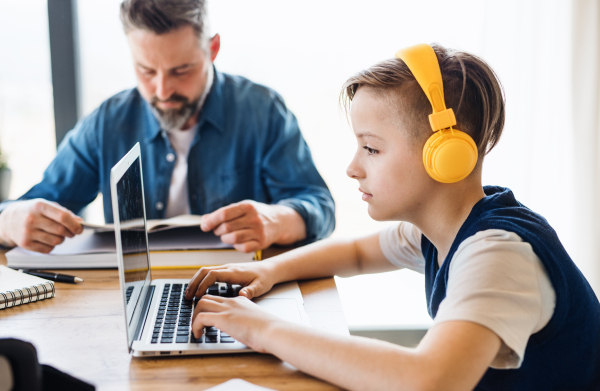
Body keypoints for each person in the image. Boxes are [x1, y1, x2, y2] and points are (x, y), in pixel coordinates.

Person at [184, 43, 600, 390]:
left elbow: (428, 380)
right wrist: (269, 270)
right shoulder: (444, 228)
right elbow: (356, 254)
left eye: (372, 148)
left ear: (445, 157)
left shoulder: (498, 254)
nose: (352, 167)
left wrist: (262, 329)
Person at [0, 0, 335, 254]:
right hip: (133, 301)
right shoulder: (107, 124)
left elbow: (320, 205)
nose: (162, 91)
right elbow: (36, 205)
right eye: (146, 71)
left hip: (244, 294)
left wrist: (277, 221)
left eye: (181, 71)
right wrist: (9, 222)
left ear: (212, 49)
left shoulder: (262, 111)